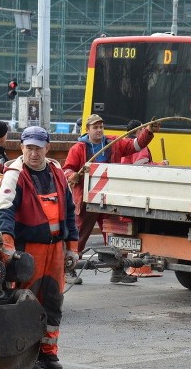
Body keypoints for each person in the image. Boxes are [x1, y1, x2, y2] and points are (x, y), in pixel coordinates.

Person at [0, 126, 79, 369]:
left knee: (53, 301)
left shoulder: (57, 172)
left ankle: (48, 353)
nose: (33, 153)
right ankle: (26, 352)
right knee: (26, 301)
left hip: (55, 250)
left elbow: (70, 213)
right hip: (28, 249)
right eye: (29, 147)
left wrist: (72, 248)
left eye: (38, 148)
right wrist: (7, 246)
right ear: (21, 147)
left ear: (47, 148)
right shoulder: (15, 174)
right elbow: (4, 212)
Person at [62, 113, 157, 284]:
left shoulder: (113, 143)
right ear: (88, 130)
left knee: (114, 236)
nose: (99, 130)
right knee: (78, 237)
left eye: (101, 127)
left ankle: (118, 270)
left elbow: (135, 145)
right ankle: (68, 270)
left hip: (108, 200)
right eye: (95, 127)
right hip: (87, 200)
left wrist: (148, 132)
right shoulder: (78, 149)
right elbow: (67, 169)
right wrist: (72, 175)